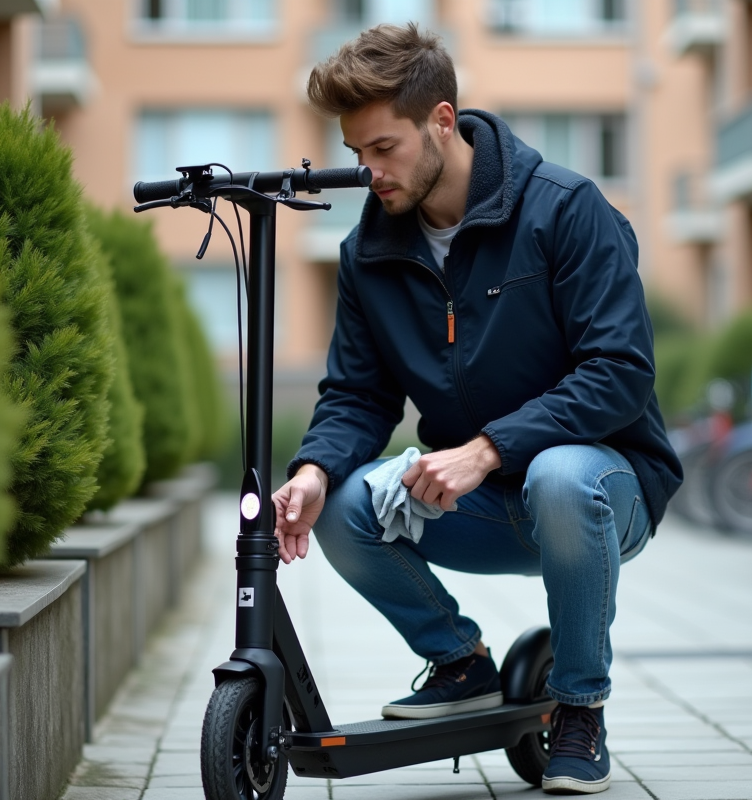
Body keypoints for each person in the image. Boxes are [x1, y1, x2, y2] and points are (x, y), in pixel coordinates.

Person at [271, 23, 682, 795]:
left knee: (562, 476)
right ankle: (462, 664)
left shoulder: (564, 209)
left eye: (384, 148)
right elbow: (358, 394)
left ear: (442, 120)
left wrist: (488, 449)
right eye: (357, 153)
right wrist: (315, 468)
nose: (370, 172)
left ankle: (580, 707)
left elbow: (620, 372)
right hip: (479, 501)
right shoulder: (370, 253)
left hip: (604, 489)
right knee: (343, 503)